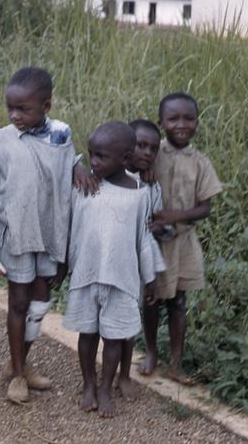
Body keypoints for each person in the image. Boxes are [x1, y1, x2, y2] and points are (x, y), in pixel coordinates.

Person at [0, 67, 77, 403]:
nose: (15, 115)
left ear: (46, 106)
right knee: (18, 301)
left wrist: (81, 168)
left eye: (24, 109)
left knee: (41, 299)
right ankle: (17, 374)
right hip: (15, 234)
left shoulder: (61, 135)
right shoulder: (1, 139)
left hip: (49, 233)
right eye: (10, 108)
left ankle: (21, 361)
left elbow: (66, 167)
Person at [62, 122, 157, 418]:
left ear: (125, 159)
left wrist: (150, 278)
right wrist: (65, 265)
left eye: (101, 156)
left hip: (121, 278)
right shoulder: (84, 186)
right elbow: (72, 230)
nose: (95, 162)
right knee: (87, 334)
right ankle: (88, 384)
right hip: (87, 275)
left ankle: (106, 387)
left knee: (114, 338)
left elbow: (144, 239)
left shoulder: (141, 194)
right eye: (91, 155)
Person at [137, 93, 223, 384]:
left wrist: (177, 215)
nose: (181, 124)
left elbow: (206, 208)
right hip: (153, 242)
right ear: (161, 122)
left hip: (183, 243)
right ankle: (150, 352)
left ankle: (175, 362)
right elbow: (130, 171)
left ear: (197, 122)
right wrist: (143, 165)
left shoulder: (200, 162)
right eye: (173, 119)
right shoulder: (152, 153)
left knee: (178, 302)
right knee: (150, 300)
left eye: (189, 118)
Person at [117, 118, 167, 399]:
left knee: (138, 311)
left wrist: (159, 227)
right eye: (141, 145)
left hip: (140, 260)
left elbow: (155, 222)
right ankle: (104, 373)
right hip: (113, 257)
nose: (147, 153)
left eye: (153, 148)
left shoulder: (152, 186)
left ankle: (133, 364)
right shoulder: (107, 174)